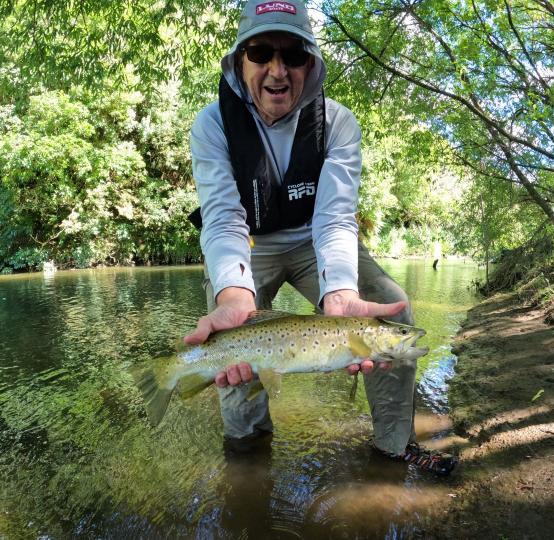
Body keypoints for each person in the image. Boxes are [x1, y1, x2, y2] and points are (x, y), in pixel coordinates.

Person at [185, 0, 456, 475]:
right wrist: (232, 293)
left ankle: (395, 446)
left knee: (391, 305)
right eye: (261, 52)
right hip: (248, 245)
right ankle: (248, 452)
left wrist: (342, 291)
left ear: (310, 64)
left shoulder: (338, 123)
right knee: (232, 339)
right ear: (239, 60)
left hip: (317, 240)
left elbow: (334, 219)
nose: (277, 69)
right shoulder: (212, 125)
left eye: (292, 55)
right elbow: (224, 219)